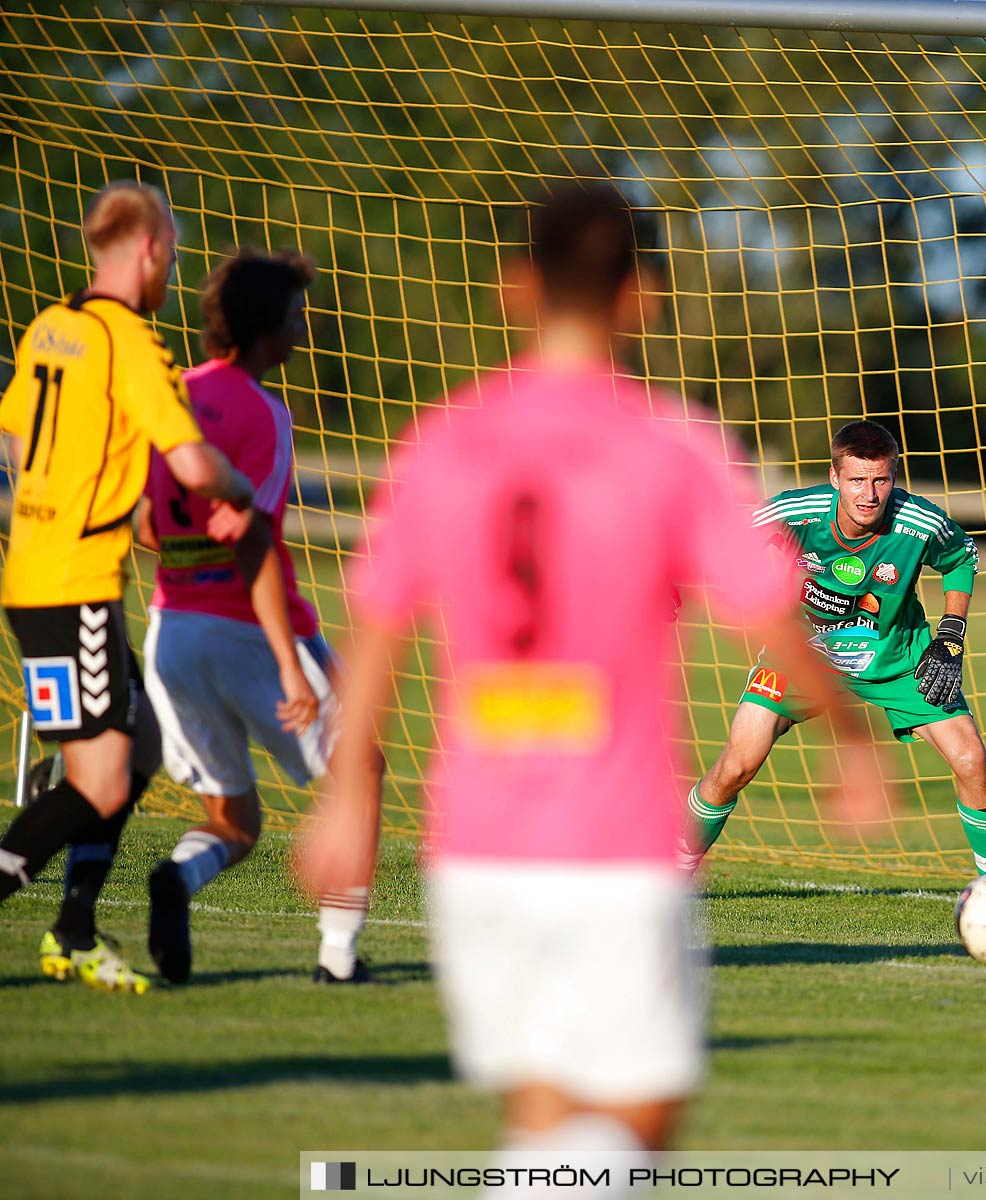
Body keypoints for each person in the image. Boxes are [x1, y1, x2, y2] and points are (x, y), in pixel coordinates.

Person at [296, 181, 888, 1193]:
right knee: (638, 1124)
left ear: (515, 287)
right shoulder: (670, 444)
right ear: (641, 297)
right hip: (612, 844)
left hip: (473, 845)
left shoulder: (447, 438)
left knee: (543, 1117)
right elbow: (770, 615)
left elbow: (381, 628)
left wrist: (346, 797)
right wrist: (852, 738)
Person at [0, 181, 255, 993]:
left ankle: (74, 929)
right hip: (73, 585)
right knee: (100, 780)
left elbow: (14, 437)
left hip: (37, 572)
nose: (172, 273)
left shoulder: (51, 328)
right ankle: (55, 914)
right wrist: (240, 493)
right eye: (172, 257)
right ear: (148, 250)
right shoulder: (131, 343)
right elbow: (189, 463)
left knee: (136, 749)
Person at [136, 248, 384, 985]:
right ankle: (338, 956)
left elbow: (145, 524)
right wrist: (285, 662)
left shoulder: (171, 395)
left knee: (236, 822)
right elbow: (254, 543)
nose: (304, 331)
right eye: (298, 317)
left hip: (172, 633)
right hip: (253, 632)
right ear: (271, 329)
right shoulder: (266, 412)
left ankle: (177, 880)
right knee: (362, 767)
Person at [680, 418, 986, 876]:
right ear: (835, 478)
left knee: (972, 760)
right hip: (801, 659)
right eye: (856, 480)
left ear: (894, 476)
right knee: (736, 764)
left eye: (880, 480)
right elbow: (721, 537)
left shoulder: (919, 522)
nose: (869, 494)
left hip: (898, 660)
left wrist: (951, 632)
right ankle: (676, 867)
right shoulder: (793, 512)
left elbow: (960, 558)